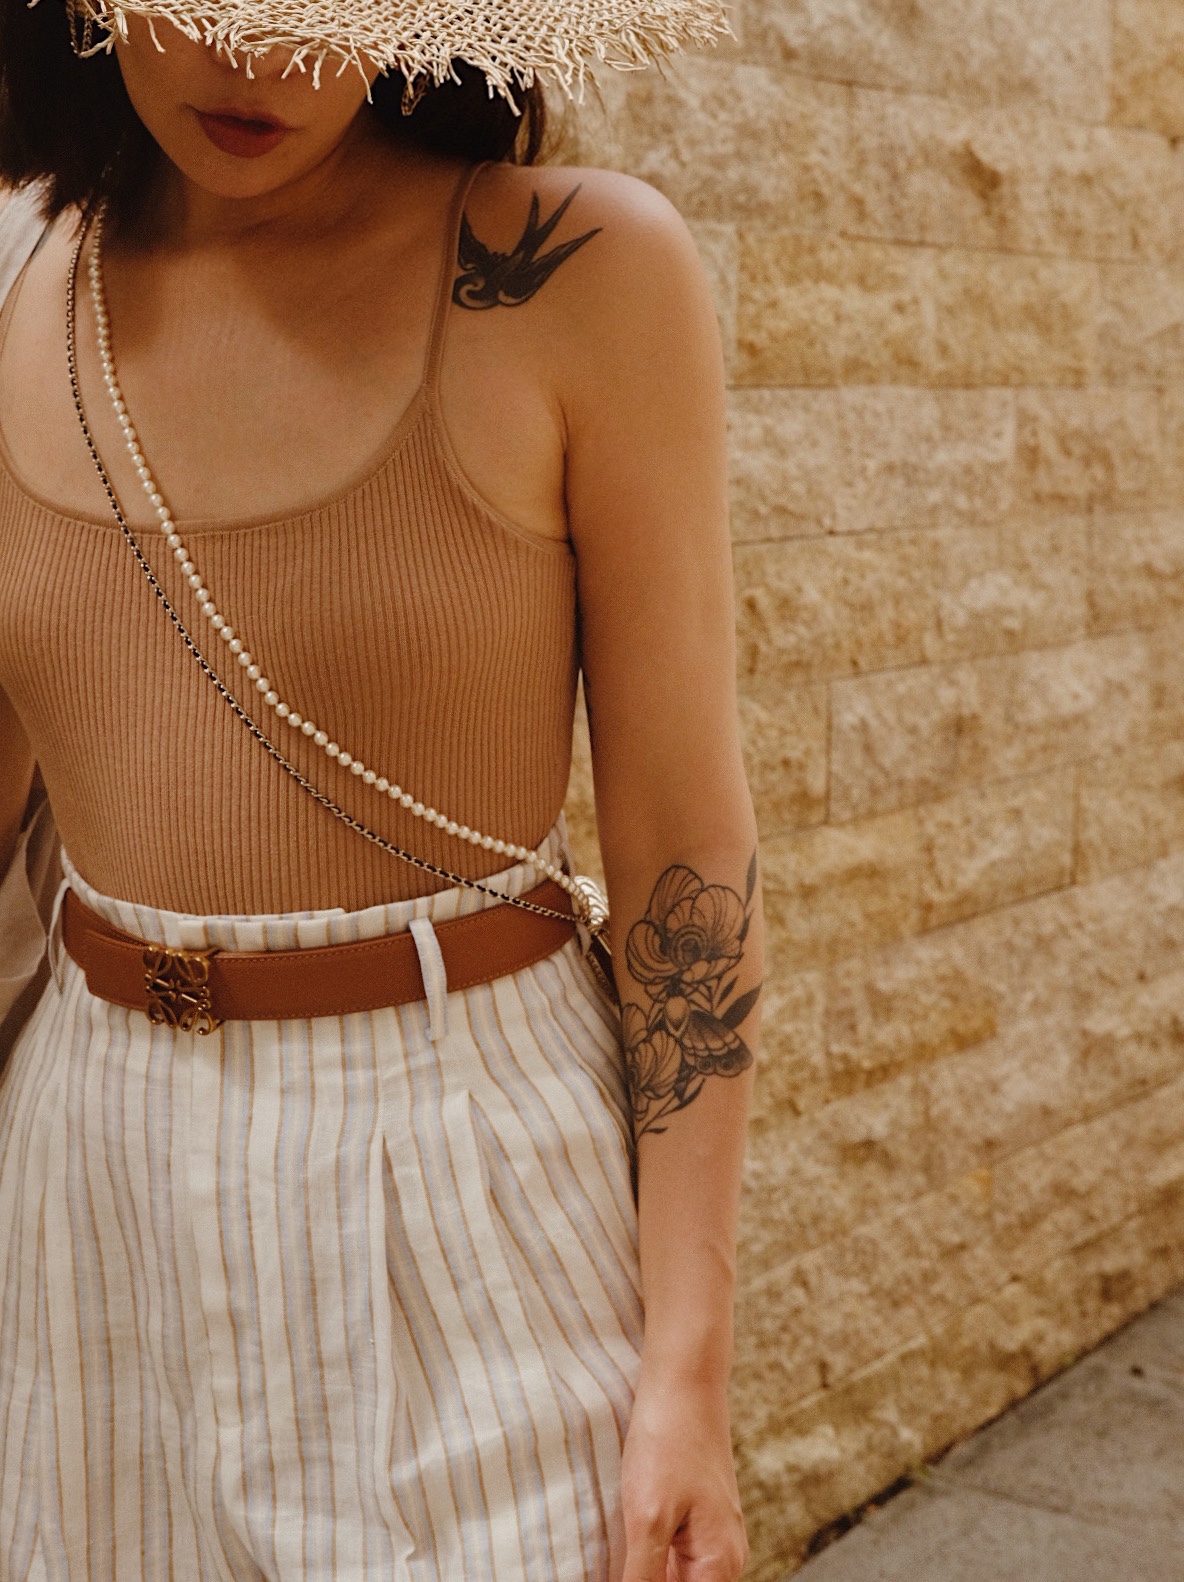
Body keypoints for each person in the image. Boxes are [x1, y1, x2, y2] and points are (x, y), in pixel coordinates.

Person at [0, 0, 763, 1572]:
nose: (261, 55)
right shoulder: (14, 278)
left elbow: (683, 841)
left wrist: (687, 1375)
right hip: (86, 1184)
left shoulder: (579, 267)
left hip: (463, 1157)